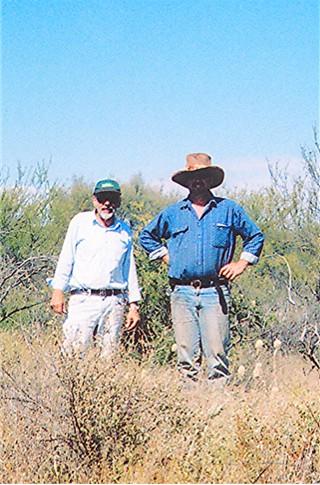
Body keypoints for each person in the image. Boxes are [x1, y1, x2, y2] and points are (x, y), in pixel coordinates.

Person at [139, 153, 264, 384]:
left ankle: (217, 409)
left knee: (217, 355)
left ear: (210, 179)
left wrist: (241, 263)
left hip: (215, 293)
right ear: (186, 182)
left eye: (202, 176)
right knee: (185, 356)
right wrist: (165, 255)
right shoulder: (173, 213)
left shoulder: (228, 209)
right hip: (182, 293)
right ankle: (190, 409)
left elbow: (255, 236)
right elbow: (146, 236)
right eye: (192, 177)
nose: (197, 181)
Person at [50, 178, 141, 357]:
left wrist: (134, 305)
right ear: (94, 200)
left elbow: (129, 268)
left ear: (119, 202)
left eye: (112, 199)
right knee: (73, 354)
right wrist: (58, 290)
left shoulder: (124, 230)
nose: (107, 203)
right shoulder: (80, 223)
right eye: (102, 198)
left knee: (108, 356)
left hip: (114, 301)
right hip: (83, 299)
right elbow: (66, 257)